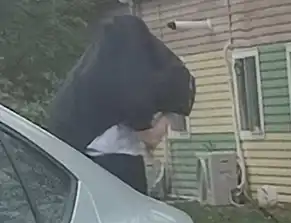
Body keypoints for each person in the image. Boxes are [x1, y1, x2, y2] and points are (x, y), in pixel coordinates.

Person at [47, 14, 194, 194]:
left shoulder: (86, 78)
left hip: (78, 161)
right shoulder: (130, 83)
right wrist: (168, 116)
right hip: (118, 164)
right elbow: (151, 137)